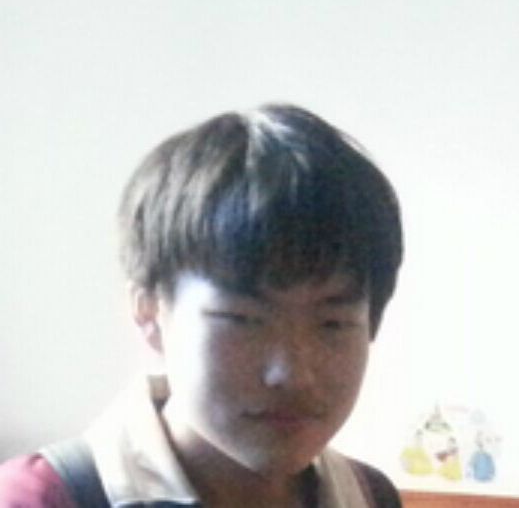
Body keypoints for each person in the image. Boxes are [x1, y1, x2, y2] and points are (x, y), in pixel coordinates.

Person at [0, 104, 403, 507]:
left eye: (332, 323)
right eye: (244, 320)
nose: (293, 375)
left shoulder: (369, 495)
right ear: (150, 314)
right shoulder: (42, 498)